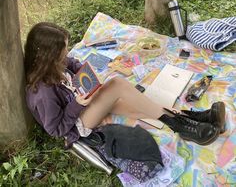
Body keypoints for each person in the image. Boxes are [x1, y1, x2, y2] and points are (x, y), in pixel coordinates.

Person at [25, 22, 226, 148]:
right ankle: (183, 126)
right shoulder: (42, 93)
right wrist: (77, 104)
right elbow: (56, 130)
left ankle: (189, 119)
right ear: (49, 56)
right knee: (118, 85)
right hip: (76, 125)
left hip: (83, 102)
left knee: (139, 104)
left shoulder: (57, 63)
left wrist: (85, 74)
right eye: (64, 50)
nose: (67, 53)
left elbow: (72, 64)